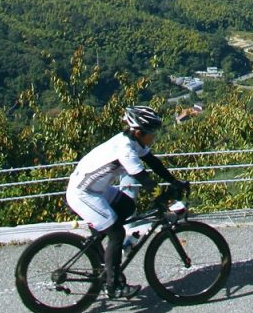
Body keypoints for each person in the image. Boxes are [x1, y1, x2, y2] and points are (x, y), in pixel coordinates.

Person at [66, 106, 189, 299]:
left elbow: (153, 162)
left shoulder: (133, 140)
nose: (154, 136)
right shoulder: (125, 150)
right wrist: (170, 200)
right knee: (116, 232)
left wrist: (174, 181)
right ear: (139, 131)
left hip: (96, 190)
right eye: (152, 132)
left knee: (127, 206)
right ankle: (113, 285)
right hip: (82, 194)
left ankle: (104, 254)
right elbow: (146, 181)